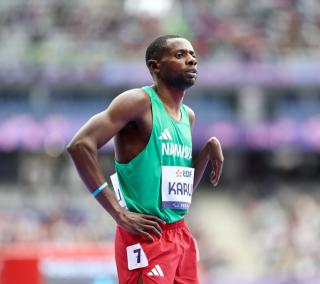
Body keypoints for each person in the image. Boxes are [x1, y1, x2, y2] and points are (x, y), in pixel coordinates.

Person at [67, 35, 224, 284]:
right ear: (155, 66)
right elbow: (79, 145)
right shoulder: (138, 103)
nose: (192, 60)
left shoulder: (187, 116)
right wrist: (118, 213)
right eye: (180, 55)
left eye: (193, 55)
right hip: (145, 236)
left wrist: (207, 151)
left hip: (179, 234)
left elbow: (177, 198)